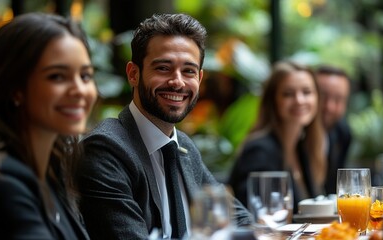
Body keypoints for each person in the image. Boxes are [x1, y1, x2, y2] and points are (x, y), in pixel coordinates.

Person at [76, 13, 253, 240]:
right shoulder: (105, 150)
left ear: (199, 78)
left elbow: (241, 220)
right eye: (163, 68)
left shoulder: (184, 148)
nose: (177, 81)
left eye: (188, 71)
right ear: (133, 74)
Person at [0, 13, 97, 239]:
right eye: (57, 77)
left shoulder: (54, 169)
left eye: (85, 76)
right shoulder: (4, 180)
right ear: (15, 89)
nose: (79, 90)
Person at [227, 61, 327, 212]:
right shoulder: (259, 151)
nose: (299, 100)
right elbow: (254, 217)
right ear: (272, 100)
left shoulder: (304, 147)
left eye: (306, 92)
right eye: (288, 94)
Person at [315, 65, 352, 194]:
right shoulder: (292, 138)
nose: (329, 107)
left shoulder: (342, 133)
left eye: (338, 99)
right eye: (323, 96)